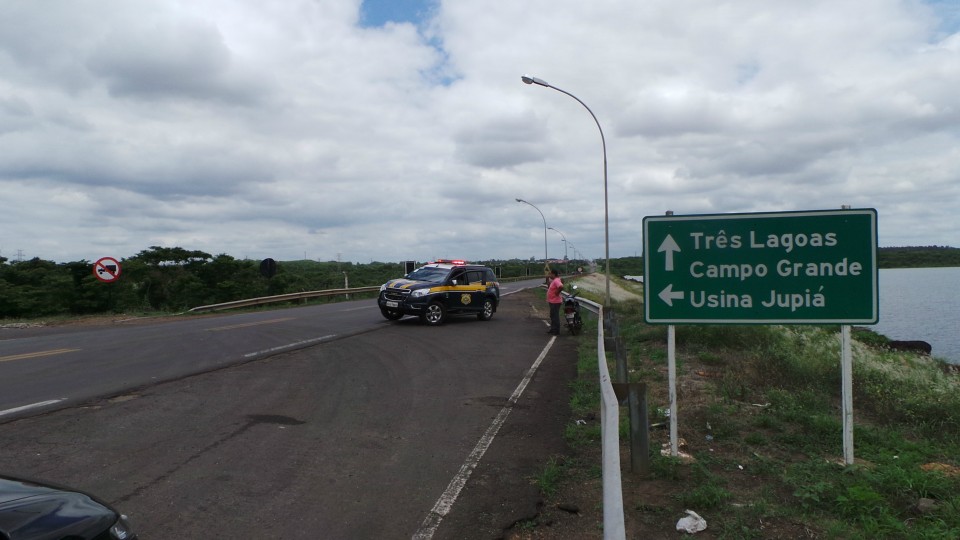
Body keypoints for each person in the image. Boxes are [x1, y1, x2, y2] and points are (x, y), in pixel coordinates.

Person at [546, 268, 563, 335]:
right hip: (552, 301)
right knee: (552, 315)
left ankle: (556, 330)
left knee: (555, 316)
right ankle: (553, 329)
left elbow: (561, 286)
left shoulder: (556, 281)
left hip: (555, 301)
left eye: (550, 274)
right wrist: (547, 279)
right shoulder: (554, 281)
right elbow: (549, 287)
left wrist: (557, 293)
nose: (549, 275)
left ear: (553, 274)